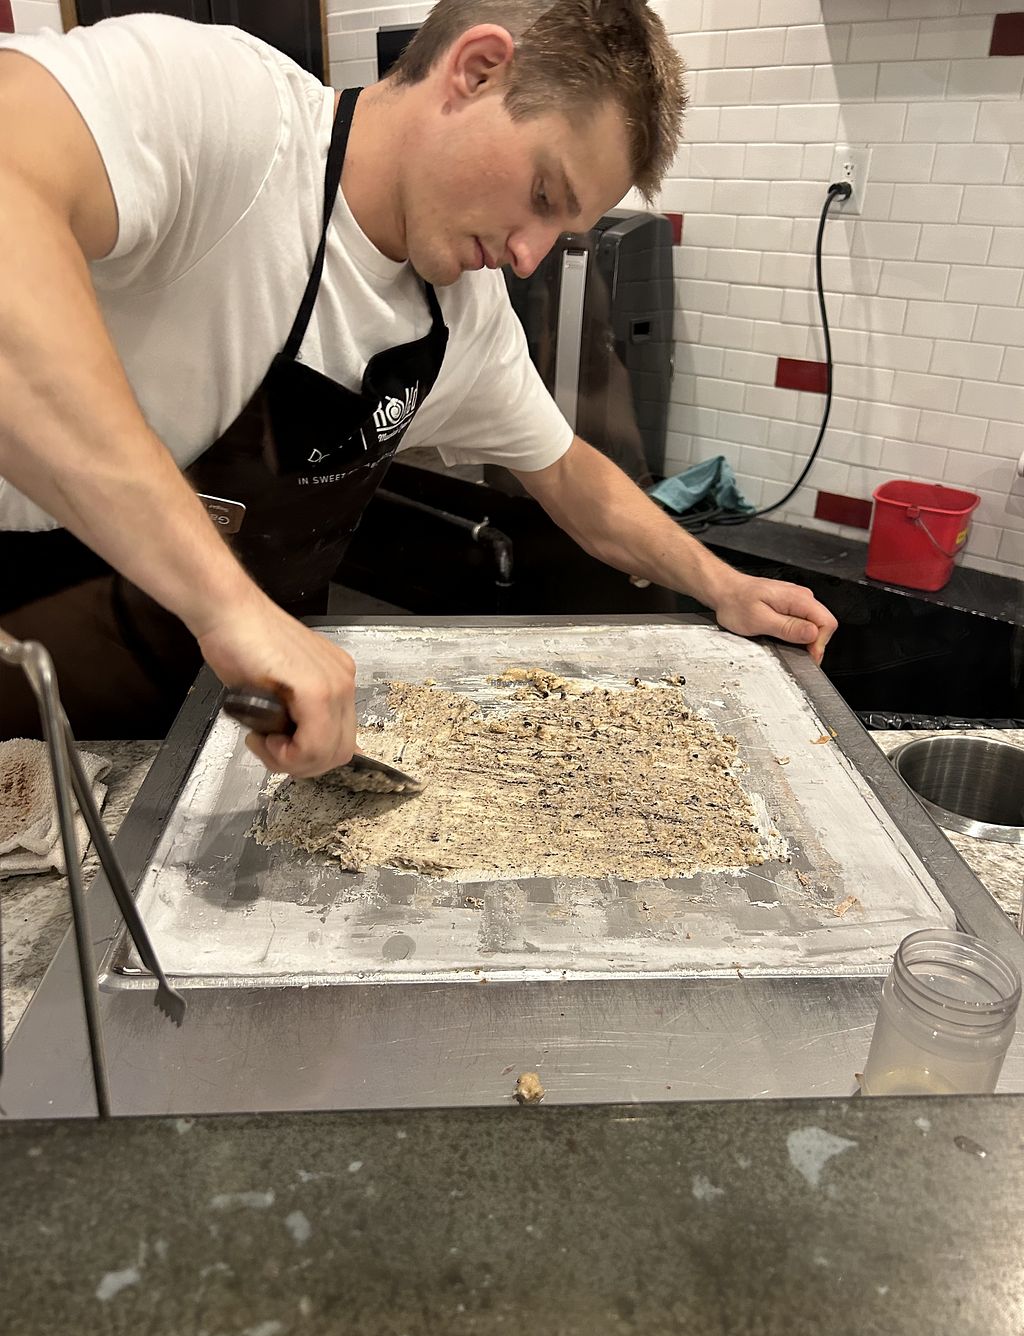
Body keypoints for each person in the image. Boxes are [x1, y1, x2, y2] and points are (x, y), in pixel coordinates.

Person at [0, 0, 837, 776]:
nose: (529, 257)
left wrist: (723, 586)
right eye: (543, 195)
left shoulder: (464, 313)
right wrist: (231, 610)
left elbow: (568, 473)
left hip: (230, 741)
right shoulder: (227, 112)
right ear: (476, 70)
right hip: (28, 682)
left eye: (561, 228)